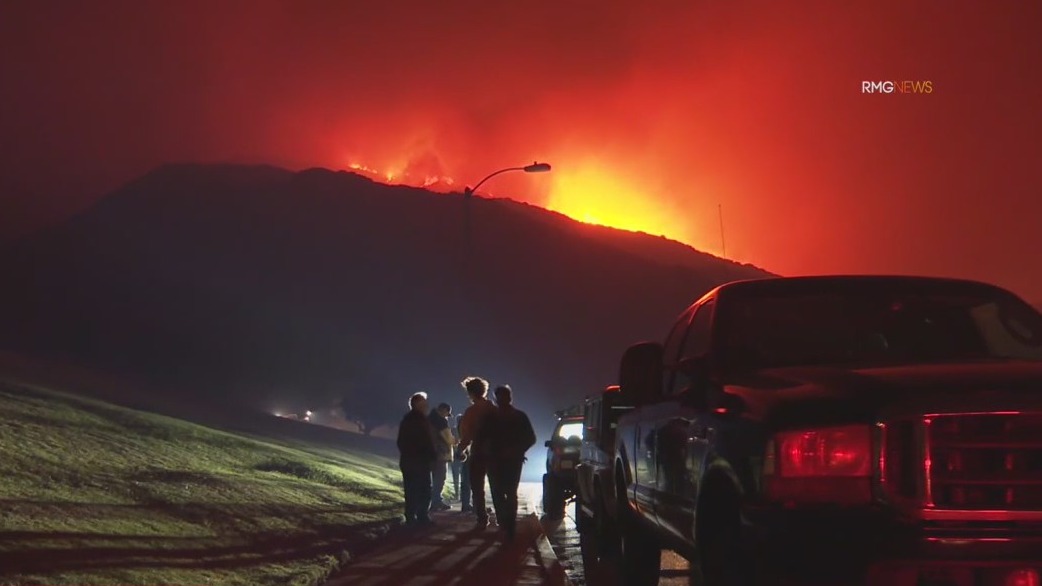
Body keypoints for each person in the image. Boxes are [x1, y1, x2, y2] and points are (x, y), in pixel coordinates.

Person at [487, 385, 537, 540]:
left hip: (495, 460)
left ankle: (504, 522)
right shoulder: (519, 416)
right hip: (512, 460)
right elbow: (531, 438)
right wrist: (518, 450)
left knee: (498, 492)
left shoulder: (491, 417)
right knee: (510, 492)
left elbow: (482, 437)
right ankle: (509, 525)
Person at [457, 375, 497, 528]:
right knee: (497, 487)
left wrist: (461, 449)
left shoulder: (471, 412)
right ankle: (502, 517)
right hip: (495, 453)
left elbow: (466, 435)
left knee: (477, 488)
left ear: (471, 393)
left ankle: (482, 518)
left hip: (479, 452)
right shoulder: (495, 410)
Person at [396, 392, 437, 526]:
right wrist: (430, 454)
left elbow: (401, 442)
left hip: (410, 461)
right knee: (424, 489)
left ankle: (412, 516)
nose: (427, 406)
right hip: (419, 461)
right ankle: (421, 516)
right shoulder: (419, 421)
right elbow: (426, 441)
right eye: (424, 403)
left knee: (412, 489)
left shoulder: (408, 420)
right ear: (417, 404)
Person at [428, 402, 455, 511]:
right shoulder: (441, 422)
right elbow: (448, 438)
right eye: (447, 414)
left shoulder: (429, 419)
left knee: (434, 478)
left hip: (430, 453)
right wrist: (455, 440)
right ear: (443, 410)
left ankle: (432, 501)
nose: (447, 417)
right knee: (440, 478)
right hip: (440, 453)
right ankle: (436, 502)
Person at [453, 413, 472, 512]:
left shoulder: (461, 428)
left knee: (466, 481)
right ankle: (472, 505)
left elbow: (465, 441)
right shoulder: (466, 427)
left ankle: (466, 504)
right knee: (472, 482)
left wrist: (460, 451)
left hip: (469, 455)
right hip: (471, 456)